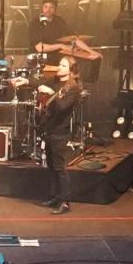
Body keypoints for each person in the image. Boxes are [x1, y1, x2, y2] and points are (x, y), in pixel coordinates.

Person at [33, 61, 84, 215]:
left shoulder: (73, 88)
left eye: (63, 65)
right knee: (51, 166)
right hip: (49, 129)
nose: (59, 67)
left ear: (70, 70)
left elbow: (62, 107)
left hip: (60, 132)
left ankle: (65, 201)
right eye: (59, 64)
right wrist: (25, 81)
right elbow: (38, 81)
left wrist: (50, 93)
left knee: (60, 167)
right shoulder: (55, 81)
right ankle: (55, 196)